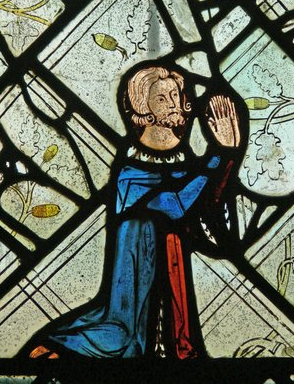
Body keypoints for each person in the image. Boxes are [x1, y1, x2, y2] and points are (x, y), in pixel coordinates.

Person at [29, 65, 241, 360]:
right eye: (162, 99)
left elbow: (214, 234)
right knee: (117, 338)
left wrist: (228, 159)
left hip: (175, 303)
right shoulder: (130, 172)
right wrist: (219, 156)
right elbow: (173, 205)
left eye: (175, 96)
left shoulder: (189, 167)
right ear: (144, 111)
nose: (174, 104)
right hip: (130, 301)